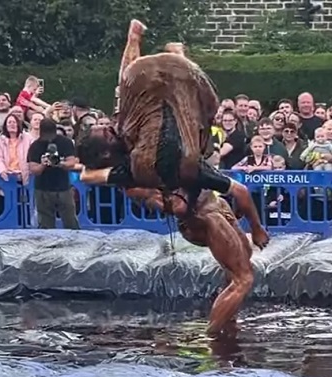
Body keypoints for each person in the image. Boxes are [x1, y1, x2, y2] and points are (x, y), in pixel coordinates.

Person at [77, 19, 268, 249]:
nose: (109, 129)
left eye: (105, 129)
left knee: (129, 87)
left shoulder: (127, 164)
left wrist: (256, 228)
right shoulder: (135, 166)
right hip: (170, 147)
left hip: (164, 148)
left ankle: (156, 47)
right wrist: (256, 228)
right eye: (106, 134)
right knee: (170, 97)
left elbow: (86, 175)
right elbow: (87, 175)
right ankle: (173, 54)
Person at [122, 186, 255, 336]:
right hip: (206, 219)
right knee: (243, 279)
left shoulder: (195, 173)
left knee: (244, 256)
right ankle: (213, 333)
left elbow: (237, 189)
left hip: (217, 207)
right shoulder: (153, 181)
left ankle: (228, 317)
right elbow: (173, 207)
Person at [27, 118, 80, 229]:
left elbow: (72, 163)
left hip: (63, 187)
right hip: (43, 188)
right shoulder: (35, 146)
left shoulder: (65, 142)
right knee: (45, 222)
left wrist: (60, 163)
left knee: (70, 220)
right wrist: (42, 165)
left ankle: (75, 240)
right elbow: (33, 169)